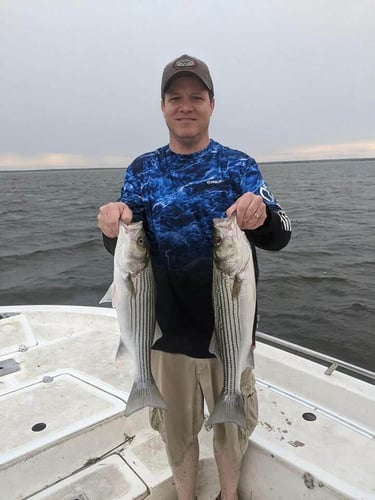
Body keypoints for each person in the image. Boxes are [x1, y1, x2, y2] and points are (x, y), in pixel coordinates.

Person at [97, 54, 291, 500]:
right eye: (175, 97)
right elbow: (130, 242)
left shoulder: (238, 165)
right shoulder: (143, 169)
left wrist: (260, 218)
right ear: (163, 107)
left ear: (211, 104)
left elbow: (280, 234)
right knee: (177, 431)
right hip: (163, 331)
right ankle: (185, 495)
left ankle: (229, 494)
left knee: (231, 426)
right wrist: (114, 224)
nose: (186, 106)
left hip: (229, 329)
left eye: (196, 97)